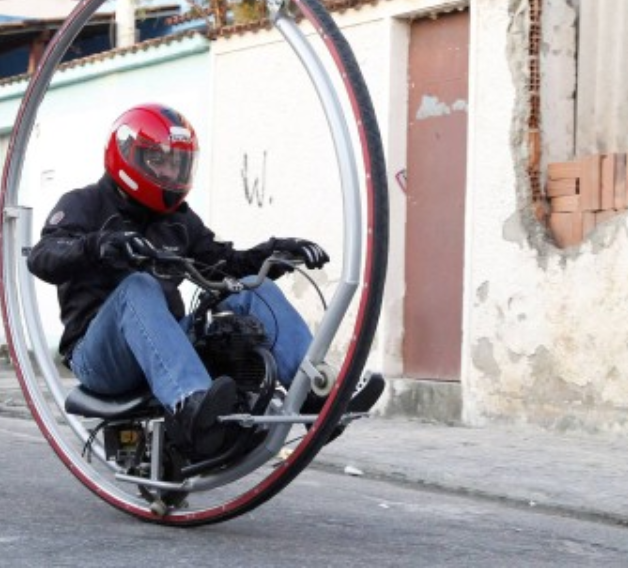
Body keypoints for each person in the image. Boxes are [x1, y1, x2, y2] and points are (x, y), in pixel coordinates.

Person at [27, 103, 381, 459]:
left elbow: (224, 265)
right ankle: (193, 409)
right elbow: (44, 257)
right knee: (138, 285)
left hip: (165, 342)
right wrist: (97, 245)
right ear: (128, 156)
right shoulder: (84, 204)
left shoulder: (178, 220)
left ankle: (316, 390)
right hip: (97, 356)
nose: (168, 172)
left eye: (176, 164)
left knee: (250, 287)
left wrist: (275, 254)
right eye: (158, 161)